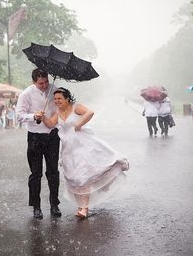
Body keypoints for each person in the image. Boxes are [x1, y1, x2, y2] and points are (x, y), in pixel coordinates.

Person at [41, 87, 129, 219]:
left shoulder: (75, 107)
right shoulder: (57, 113)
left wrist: (79, 124)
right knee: (74, 178)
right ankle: (80, 206)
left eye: (59, 98)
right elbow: (50, 124)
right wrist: (43, 117)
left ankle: (85, 208)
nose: (57, 101)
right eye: (55, 99)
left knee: (83, 176)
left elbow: (90, 112)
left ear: (67, 98)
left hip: (83, 146)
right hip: (68, 150)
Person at [16, 68, 61, 219]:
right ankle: (36, 206)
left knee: (53, 172)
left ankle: (54, 204)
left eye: (46, 81)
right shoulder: (26, 94)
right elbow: (19, 116)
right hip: (35, 136)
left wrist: (56, 115)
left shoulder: (54, 89)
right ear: (34, 81)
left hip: (52, 135)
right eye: (41, 83)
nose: (44, 85)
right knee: (36, 173)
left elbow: (60, 107)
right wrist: (33, 115)